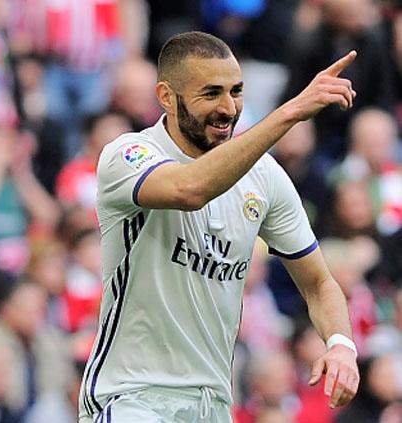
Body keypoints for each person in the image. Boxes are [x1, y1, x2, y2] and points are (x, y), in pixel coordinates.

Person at [80, 31, 359, 422]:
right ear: (166, 96)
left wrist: (341, 343)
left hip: (212, 403)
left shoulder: (263, 176)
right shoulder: (128, 155)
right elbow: (189, 188)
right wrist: (289, 113)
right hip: (132, 397)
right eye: (211, 94)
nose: (229, 108)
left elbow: (318, 283)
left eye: (236, 91)